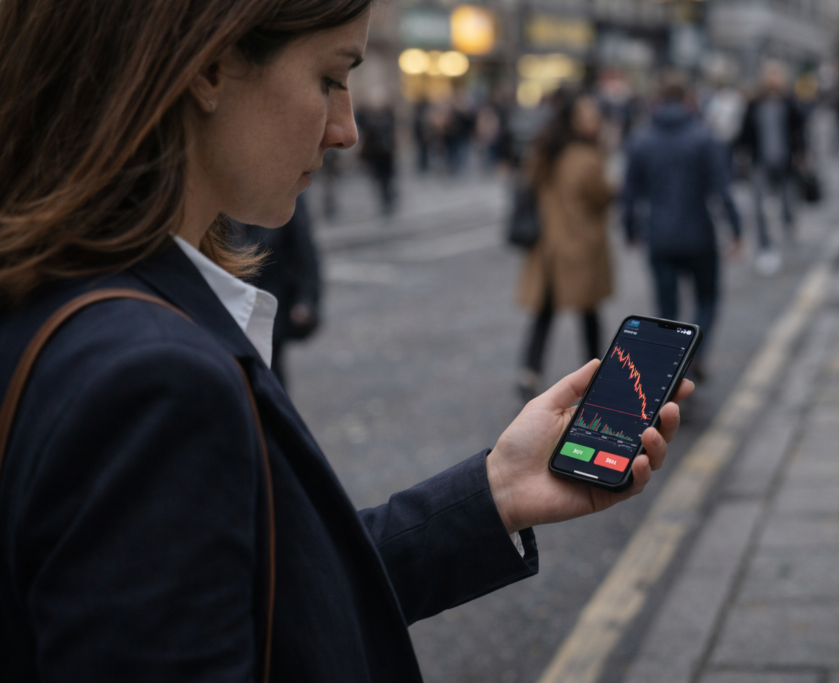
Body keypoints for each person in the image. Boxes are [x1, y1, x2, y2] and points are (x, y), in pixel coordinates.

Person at [0, 1, 695, 680]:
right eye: (331, 78)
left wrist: (494, 493)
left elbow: (282, 597)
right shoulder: (152, 384)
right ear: (208, 68)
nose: (347, 129)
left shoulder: (57, 294)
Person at [621, 80, 743, 382]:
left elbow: (629, 193)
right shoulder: (703, 137)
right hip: (699, 235)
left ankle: (674, 369)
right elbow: (722, 190)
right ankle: (694, 356)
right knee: (707, 299)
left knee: (667, 313)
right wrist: (736, 230)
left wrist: (630, 230)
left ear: (658, 100)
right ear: (688, 100)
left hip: (659, 237)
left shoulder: (641, 139)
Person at [517, 93, 615, 400]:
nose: (596, 120)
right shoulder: (587, 158)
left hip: (548, 246)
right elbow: (603, 195)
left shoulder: (545, 152)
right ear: (574, 121)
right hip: (580, 246)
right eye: (590, 116)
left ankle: (529, 372)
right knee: (588, 313)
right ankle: (597, 372)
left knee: (544, 314)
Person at [232, 195, 322, 388]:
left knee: (269, 373)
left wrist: (305, 299)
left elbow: (303, 247)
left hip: (269, 299)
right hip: (234, 303)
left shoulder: (284, 189)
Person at [736, 60, 807, 275]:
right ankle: (764, 247)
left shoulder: (789, 103)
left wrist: (801, 155)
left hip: (786, 163)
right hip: (760, 162)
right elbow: (744, 134)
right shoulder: (754, 105)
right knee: (758, 207)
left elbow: (799, 132)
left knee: (787, 204)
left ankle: (788, 230)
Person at [355, 92, 397, 214]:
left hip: (385, 155)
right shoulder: (372, 120)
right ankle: (386, 197)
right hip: (378, 155)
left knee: (384, 179)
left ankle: (387, 196)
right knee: (382, 179)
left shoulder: (385, 118)